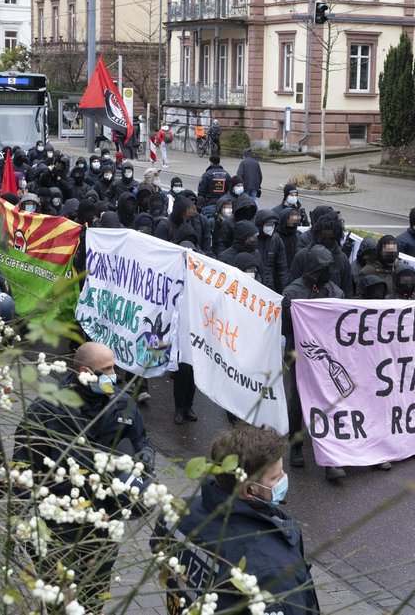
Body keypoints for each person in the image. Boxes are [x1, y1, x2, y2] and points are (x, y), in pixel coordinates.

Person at [12, 342, 155, 608]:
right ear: (84, 371)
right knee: (59, 600)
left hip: (104, 523)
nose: (114, 375)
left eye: (114, 366)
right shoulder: (49, 407)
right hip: (60, 525)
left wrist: (146, 458)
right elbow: (23, 463)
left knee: (94, 596)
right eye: (107, 369)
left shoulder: (124, 405)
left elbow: (142, 443)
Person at [154, 425, 320, 615]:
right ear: (249, 490)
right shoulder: (272, 567)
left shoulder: (177, 512)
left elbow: (160, 554)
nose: (284, 479)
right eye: (275, 477)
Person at [281, 246, 344, 475]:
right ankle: (296, 448)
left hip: (326, 358)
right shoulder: (293, 293)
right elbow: (285, 328)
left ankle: (330, 458)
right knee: (298, 403)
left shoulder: (335, 292)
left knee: (327, 402)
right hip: (299, 356)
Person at [254, 209, 290, 293]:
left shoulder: (276, 241)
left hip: (269, 286)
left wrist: (284, 290)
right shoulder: (252, 239)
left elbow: (282, 268)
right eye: (268, 224)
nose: (270, 227)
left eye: (272, 225)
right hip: (253, 283)